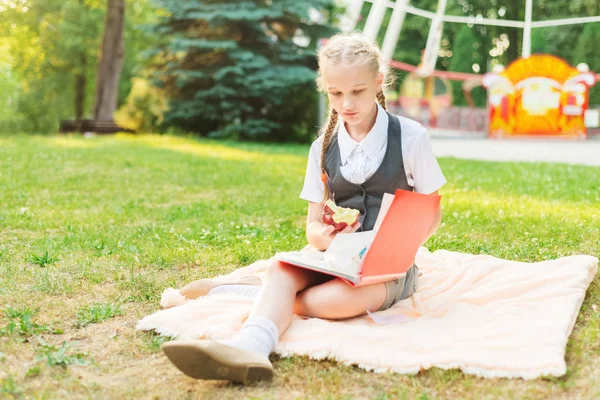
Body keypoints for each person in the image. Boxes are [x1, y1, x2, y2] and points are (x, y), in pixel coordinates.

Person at [161, 32, 446, 384]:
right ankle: (251, 347)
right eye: (335, 93)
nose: (347, 103)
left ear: (378, 83)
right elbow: (312, 226)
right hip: (336, 257)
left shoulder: (410, 137)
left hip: (391, 269)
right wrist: (324, 237)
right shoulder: (322, 147)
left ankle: (244, 292)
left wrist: (397, 251)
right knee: (282, 269)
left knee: (332, 303)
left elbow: (432, 214)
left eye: (357, 91)